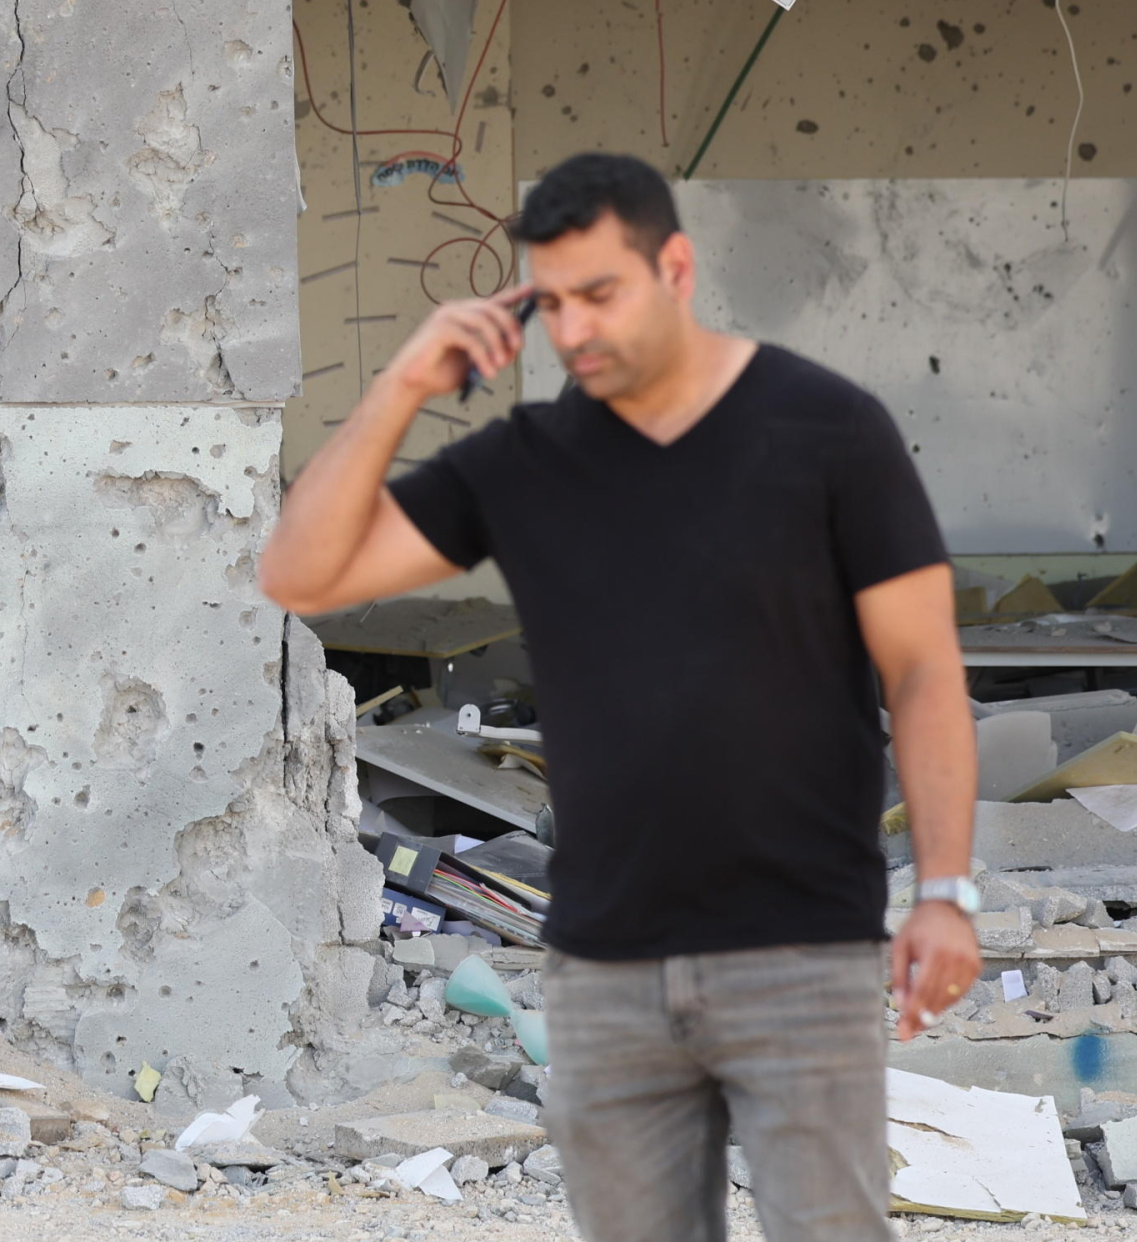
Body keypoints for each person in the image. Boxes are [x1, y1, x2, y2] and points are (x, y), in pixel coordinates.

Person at [259, 152, 979, 1242]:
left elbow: (923, 668)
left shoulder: (828, 431)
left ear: (675, 267)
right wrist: (402, 381)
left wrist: (945, 890)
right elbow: (300, 574)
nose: (575, 329)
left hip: (799, 951)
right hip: (602, 967)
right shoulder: (525, 463)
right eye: (550, 303)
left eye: (601, 293)